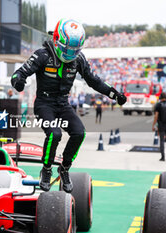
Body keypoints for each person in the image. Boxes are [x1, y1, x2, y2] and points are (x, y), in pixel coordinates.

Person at [11, 19, 126, 193]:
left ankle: (64, 168)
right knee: (54, 134)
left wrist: (114, 94)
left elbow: (93, 81)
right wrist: (19, 81)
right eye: (67, 49)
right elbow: (19, 73)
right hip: (44, 104)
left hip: (63, 104)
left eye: (74, 50)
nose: (70, 53)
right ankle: (47, 169)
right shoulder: (43, 54)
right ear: (57, 40)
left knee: (80, 133)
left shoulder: (79, 59)